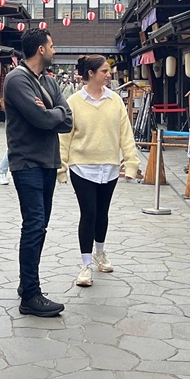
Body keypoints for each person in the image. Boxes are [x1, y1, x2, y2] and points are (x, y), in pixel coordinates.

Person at [4, 29, 73, 317]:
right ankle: (30, 295)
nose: (55, 50)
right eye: (52, 45)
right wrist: (52, 113)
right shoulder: (17, 79)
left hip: (47, 161)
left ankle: (26, 283)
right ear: (41, 50)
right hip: (27, 161)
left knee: (40, 225)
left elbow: (67, 118)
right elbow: (41, 119)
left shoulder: (47, 80)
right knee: (33, 225)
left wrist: (53, 112)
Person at [59, 55, 140, 288]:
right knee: (89, 213)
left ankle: (100, 253)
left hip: (110, 166)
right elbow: (64, 136)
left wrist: (131, 163)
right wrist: (61, 166)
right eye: (104, 71)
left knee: (103, 213)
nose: (109, 74)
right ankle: (85, 265)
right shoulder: (73, 102)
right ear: (90, 74)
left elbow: (126, 133)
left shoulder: (115, 100)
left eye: (109, 70)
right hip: (82, 166)